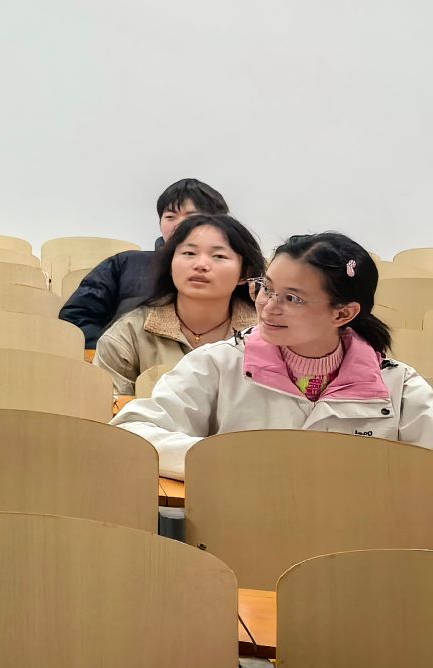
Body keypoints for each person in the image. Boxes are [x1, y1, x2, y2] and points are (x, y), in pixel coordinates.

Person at [117, 232, 433, 478]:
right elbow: (132, 434)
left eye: (292, 298)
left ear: (343, 313)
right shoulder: (217, 363)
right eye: (266, 288)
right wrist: (231, 460)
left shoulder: (396, 384)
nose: (268, 307)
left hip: (356, 534)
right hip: (239, 528)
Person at [95, 213, 264, 395]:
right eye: (189, 253)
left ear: (244, 273)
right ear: (170, 265)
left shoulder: (264, 333)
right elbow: (108, 406)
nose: (201, 264)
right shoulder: (129, 332)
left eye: (219, 256)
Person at [61, 177, 229, 344]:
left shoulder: (233, 270)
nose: (178, 225)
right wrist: (117, 351)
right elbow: (76, 317)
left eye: (191, 216)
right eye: (170, 217)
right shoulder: (125, 264)